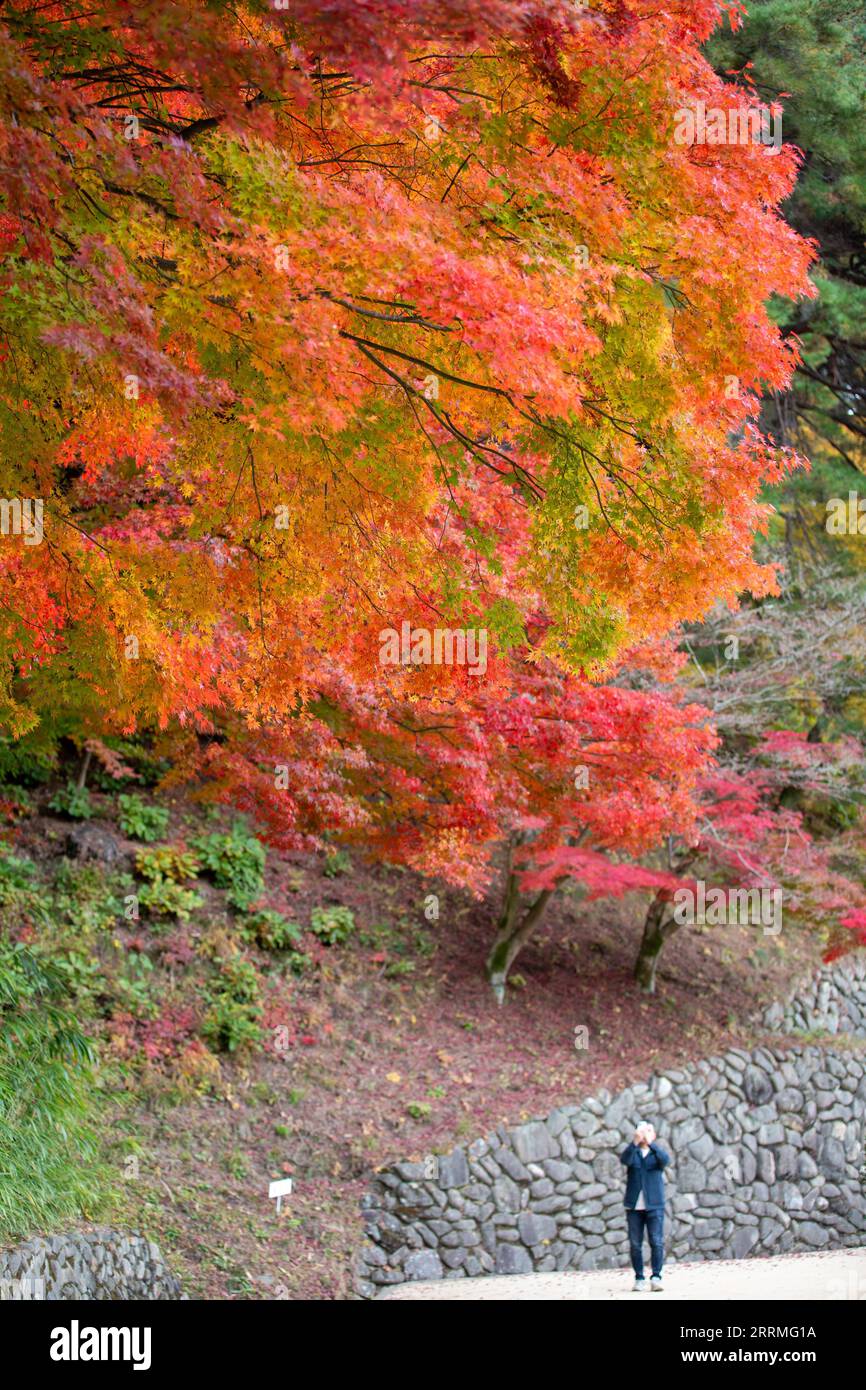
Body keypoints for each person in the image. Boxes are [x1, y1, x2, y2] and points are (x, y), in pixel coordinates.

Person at [620, 1121, 670, 1292]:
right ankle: (639, 1277)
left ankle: (656, 1276)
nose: (644, 1134)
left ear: (654, 1135)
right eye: (642, 1131)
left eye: (649, 1131)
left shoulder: (656, 1154)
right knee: (635, 1244)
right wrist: (635, 1142)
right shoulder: (632, 1153)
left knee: (656, 1241)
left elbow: (666, 1160)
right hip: (634, 1206)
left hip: (654, 1205)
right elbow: (624, 1159)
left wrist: (651, 1144)